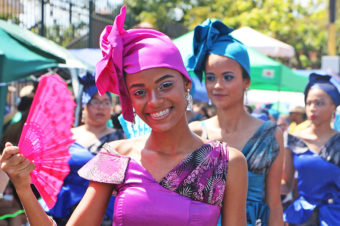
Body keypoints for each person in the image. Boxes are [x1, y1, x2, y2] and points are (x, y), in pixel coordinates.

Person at [0, 6, 247, 226]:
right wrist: (23, 186)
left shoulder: (226, 162)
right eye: (139, 92)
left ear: (186, 84)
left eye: (165, 85)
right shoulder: (116, 156)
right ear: (129, 99)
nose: (154, 101)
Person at [187, 19, 284, 226]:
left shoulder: (270, 134)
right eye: (211, 77)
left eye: (228, 77)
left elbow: (274, 204)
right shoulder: (194, 132)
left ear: (246, 81)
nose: (217, 85)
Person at [44, 74, 124, 226]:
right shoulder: (66, 136)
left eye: (106, 102)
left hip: (104, 209)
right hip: (66, 206)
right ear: (84, 106)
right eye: (95, 101)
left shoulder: (121, 138)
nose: (101, 107)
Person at [282, 73, 340, 225]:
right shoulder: (294, 139)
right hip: (302, 216)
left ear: (334, 106)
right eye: (308, 103)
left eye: (319, 103)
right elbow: (286, 184)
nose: (312, 108)